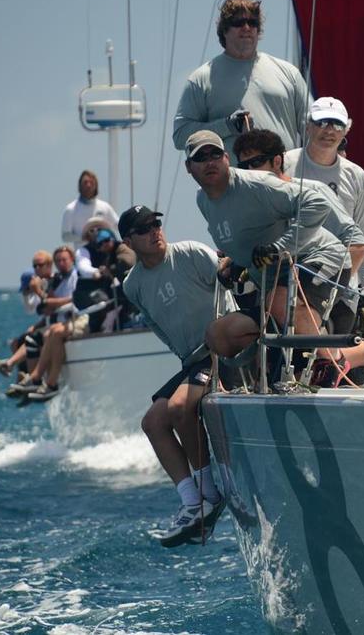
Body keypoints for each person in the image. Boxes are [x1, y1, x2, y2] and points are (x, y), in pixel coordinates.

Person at [183, 130, 357, 386]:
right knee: (218, 334)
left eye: (215, 154)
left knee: (277, 299)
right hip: (272, 278)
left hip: (319, 257)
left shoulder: (256, 184)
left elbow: (317, 204)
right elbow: (243, 235)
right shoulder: (204, 200)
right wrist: (236, 262)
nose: (210, 161)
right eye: (201, 157)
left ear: (226, 159)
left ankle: (336, 363)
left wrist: (279, 247)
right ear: (189, 167)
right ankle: (350, 355)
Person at [233, 129, 364, 384]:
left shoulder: (312, 190)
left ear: (277, 162)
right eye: (243, 165)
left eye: (256, 162)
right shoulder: (253, 204)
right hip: (287, 298)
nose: (249, 170)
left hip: (330, 298)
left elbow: (358, 243)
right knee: (234, 336)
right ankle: (361, 353)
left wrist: (343, 294)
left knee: (305, 371)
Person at [118, 205, 229, 546]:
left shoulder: (191, 253)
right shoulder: (132, 285)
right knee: (152, 422)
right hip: (191, 360)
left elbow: (230, 281)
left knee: (181, 407)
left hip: (221, 348)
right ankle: (192, 502)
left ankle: (207, 496)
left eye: (156, 224)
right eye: (145, 228)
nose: (155, 231)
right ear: (129, 241)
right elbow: (155, 324)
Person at [284, 97, 364, 336]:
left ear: (346, 130)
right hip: (292, 280)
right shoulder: (285, 163)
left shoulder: (355, 174)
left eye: (336, 124)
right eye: (322, 122)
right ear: (308, 126)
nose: (329, 130)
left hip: (344, 288)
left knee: (329, 365)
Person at [172, 0, 310, 158]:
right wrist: (227, 126)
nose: (246, 27)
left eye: (253, 23)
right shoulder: (201, 79)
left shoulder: (289, 73)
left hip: (283, 180)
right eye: (238, 23)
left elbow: (312, 129)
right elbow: (180, 136)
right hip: (232, 182)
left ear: (258, 31)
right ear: (224, 30)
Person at [6, 245, 80, 401]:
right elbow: (41, 308)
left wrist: (42, 294)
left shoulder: (76, 277)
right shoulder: (57, 281)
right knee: (25, 340)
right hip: (55, 322)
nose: (61, 263)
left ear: (72, 260)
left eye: (64, 260)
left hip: (70, 319)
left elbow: (70, 301)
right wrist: (34, 294)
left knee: (43, 335)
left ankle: (37, 379)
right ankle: (32, 380)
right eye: (58, 260)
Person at [0, 251, 53, 378]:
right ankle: (20, 373)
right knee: (15, 343)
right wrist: (27, 293)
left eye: (40, 265)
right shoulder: (38, 286)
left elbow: (50, 306)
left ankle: (12, 365)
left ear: (49, 265)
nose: (37, 268)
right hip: (46, 323)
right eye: (35, 266)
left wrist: (37, 290)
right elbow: (31, 309)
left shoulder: (52, 281)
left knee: (31, 339)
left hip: (54, 324)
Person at [61, 170, 120, 248]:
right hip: (83, 253)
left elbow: (118, 225)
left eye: (91, 182)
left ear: (96, 186)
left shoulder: (105, 207)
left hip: (104, 252)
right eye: (85, 182)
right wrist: (83, 237)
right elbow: (65, 236)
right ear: (80, 185)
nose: (88, 185)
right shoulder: (70, 209)